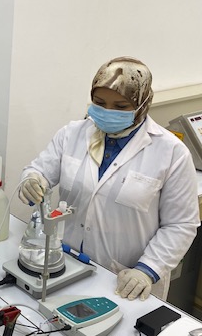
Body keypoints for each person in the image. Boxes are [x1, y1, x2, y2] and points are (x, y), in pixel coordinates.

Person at [18, 57, 200, 301]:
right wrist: (32, 180)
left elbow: (181, 224)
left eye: (121, 106)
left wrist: (147, 270)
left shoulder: (171, 153)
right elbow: (39, 170)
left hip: (125, 279)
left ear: (143, 103)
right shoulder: (72, 134)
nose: (107, 112)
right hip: (65, 265)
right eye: (99, 103)